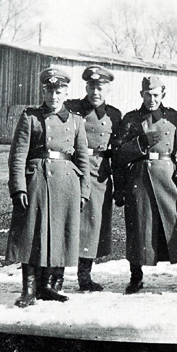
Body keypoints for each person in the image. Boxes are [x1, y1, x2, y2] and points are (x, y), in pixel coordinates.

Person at [5, 67, 90, 307]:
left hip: (66, 184)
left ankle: (50, 287)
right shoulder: (30, 117)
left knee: (60, 234)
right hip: (37, 182)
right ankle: (30, 289)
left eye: (59, 91)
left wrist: (84, 191)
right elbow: (18, 155)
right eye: (50, 91)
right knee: (32, 233)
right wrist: (18, 187)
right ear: (43, 91)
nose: (54, 96)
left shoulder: (76, 121)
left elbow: (82, 159)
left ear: (66, 93)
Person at [111, 75, 177, 294]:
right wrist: (139, 145)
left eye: (155, 95)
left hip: (168, 177)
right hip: (140, 178)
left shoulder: (175, 118)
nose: (151, 99)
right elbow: (118, 154)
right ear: (141, 95)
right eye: (147, 95)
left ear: (163, 94)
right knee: (139, 228)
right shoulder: (131, 119)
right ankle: (136, 278)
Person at [64, 65, 122, 291]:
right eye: (92, 87)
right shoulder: (71, 109)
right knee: (65, 222)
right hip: (73, 170)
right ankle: (54, 274)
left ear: (108, 89)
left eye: (101, 88)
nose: (96, 92)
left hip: (99, 175)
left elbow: (116, 152)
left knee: (92, 225)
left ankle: (84, 277)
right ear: (86, 87)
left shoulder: (114, 115)